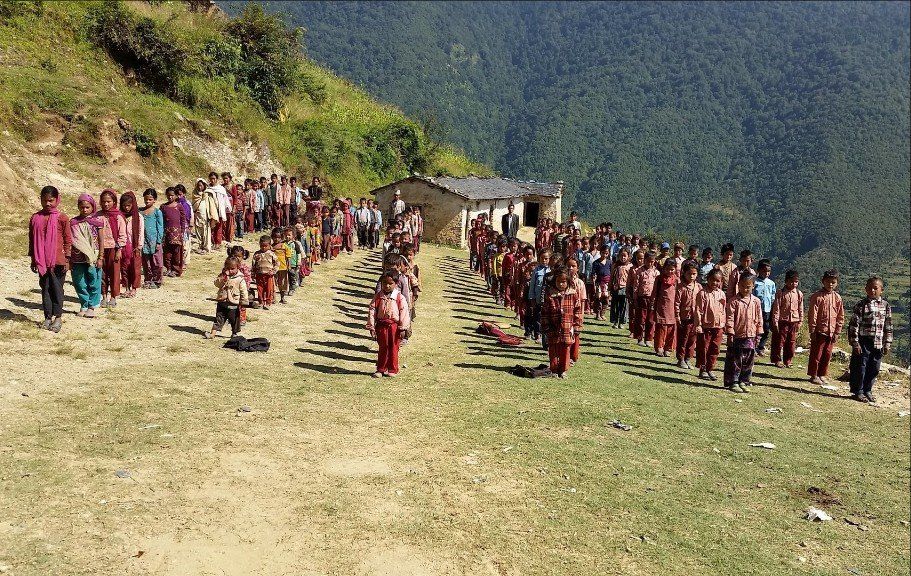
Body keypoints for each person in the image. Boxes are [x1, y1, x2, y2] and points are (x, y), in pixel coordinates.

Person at [29, 185, 71, 332]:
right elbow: (32, 240)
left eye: (51, 200)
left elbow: (68, 239)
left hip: (58, 261)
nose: (47, 204)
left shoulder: (62, 218)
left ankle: (58, 317)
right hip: (41, 261)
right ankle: (48, 317)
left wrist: (67, 259)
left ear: (57, 200)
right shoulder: (35, 218)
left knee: (57, 289)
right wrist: (33, 259)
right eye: (44, 200)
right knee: (45, 289)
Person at [847, 276, 893, 403]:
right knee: (860, 366)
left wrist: (887, 342)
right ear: (865, 289)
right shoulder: (861, 305)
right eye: (870, 288)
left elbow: (888, 325)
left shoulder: (886, 305)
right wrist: (855, 342)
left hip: (878, 342)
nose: (872, 291)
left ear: (881, 290)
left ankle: (868, 390)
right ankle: (858, 391)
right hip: (864, 341)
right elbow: (854, 325)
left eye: (875, 288)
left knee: (874, 367)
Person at [723, 274, 764, 393]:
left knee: (748, 360)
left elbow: (759, 318)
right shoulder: (733, 301)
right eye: (742, 286)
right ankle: (733, 381)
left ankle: (744, 381)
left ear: (753, 287)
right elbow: (729, 318)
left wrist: (759, 332)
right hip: (737, 335)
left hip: (751, 335)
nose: (745, 289)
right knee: (736, 360)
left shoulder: (756, 301)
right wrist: (730, 332)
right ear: (738, 285)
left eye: (748, 287)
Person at [541, 266, 583, 378]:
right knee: (553, 348)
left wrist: (577, 326)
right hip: (553, 327)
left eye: (563, 282)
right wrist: (546, 326)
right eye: (558, 282)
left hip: (568, 327)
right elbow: (544, 312)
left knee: (566, 348)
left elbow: (577, 311)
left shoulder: (573, 294)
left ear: (568, 282)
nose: (560, 284)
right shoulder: (550, 295)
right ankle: (554, 369)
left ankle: (563, 370)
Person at [368, 270, 411, 377]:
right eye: (384, 283)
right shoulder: (378, 296)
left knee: (393, 347)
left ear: (396, 284)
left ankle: (392, 369)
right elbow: (372, 310)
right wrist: (371, 326)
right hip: (381, 326)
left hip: (394, 327)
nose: (387, 286)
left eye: (390, 283)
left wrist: (403, 328)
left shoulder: (399, 297)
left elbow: (404, 312)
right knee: (383, 347)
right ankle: (381, 369)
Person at [69, 194, 105, 318]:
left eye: (87, 207)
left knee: (94, 281)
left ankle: (91, 306)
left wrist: (101, 257)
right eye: (82, 207)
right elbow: (71, 241)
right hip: (78, 258)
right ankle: (84, 304)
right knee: (79, 282)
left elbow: (101, 241)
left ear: (92, 207)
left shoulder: (97, 222)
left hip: (93, 257)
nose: (84, 210)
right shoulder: (73, 222)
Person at [807, 269, 844, 385]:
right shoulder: (817, 297)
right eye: (828, 282)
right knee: (816, 353)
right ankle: (814, 375)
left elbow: (840, 315)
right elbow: (812, 314)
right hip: (819, 331)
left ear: (837, 283)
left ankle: (822, 374)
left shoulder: (837, 298)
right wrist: (812, 330)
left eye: (833, 282)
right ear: (823, 281)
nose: (831, 284)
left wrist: (837, 331)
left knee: (827, 354)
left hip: (831, 331)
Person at [205, 256, 249, 340]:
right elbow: (216, 284)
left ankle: (234, 333)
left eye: (232, 269)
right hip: (222, 302)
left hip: (233, 303)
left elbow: (244, 291)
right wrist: (223, 278)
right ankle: (212, 334)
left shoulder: (240, 279)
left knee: (234, 320)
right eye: (228, 268)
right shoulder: (223, 276)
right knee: (218, 319)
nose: (230, 271)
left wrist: (244, 301)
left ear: (237, 267)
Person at [96, 189, 126, 308]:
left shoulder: (118, 216)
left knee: (114, 273)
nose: (106, 204)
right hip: (100, 249)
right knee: (102, 273)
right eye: (103, 202)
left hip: (114, 248)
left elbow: (122, 235)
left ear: (114, 202)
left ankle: (113, 296)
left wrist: (119, 250)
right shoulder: (97, 216)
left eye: (109, 201)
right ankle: (103, 296)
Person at [695, 268, 726, 381]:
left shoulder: (722, 294)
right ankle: (702, 369)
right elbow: (698, 310)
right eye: (712, 280)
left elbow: (723, 310)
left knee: (715, 349)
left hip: (718, 327)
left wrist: (724, 324)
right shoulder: (702, 293)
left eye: (717, 281)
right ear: (707, 279)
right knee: (704, 348)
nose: (715, 283)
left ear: (721, 282)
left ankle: (710, 369)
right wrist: (698, 325)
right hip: (706, 326)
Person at [675, 262, 702, 369]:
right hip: (684, 318)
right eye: (689, 274)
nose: (691, 276)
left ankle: (688, 358)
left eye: (694, 274)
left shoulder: (698, 287)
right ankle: (680, 359)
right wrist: (677, 316)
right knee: (683, 339)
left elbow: (701, 303)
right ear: (684, 273)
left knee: (692, 340)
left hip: (695, 318)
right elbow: (676, 303)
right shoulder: (681, 287)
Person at [118, 191, 144, 298]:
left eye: (129, 205)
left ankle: (134, 288)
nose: (127, 208)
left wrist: (139, 246)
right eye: (124, 206)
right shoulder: (120, 216)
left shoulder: (138, 217)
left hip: (135, 247)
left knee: (135, 268)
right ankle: (127, 287)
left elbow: (141, 232)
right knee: (124, 268)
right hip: (123, 246)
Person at [651, 258, 678, 357]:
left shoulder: (677, 280)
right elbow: (654, 292)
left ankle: (668, 348)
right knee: (661, 328)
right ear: (664, 269)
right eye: (667, 269)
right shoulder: (659, 279)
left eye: (672, 269)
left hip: (673, 307)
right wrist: (652, 302)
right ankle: (659, 347)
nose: (670, 271)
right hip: (661, 306)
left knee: (671, 328)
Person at [160, 187, 188, 277]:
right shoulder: (163, 207)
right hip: (166, 233)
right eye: (168, 195)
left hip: (177, 234)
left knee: (176, 252)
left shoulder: (179, 206)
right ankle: (168, 268)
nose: (170, 197)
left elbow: (183, 220)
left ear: (176, 196)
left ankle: (175, 270)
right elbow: (161, 220)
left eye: (172, 195)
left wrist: (182, 231)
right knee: (167, 252)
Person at [633, 252, 659, 346]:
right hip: (641, 297)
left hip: (652, 299)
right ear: (645, 260)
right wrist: (635, 297)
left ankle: (648, 339)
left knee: (651, 320)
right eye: (648, 261)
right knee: (641, 319)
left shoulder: (656, 272)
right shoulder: (640, 271)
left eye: (652, 261)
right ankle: (639, 338)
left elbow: (657, 287)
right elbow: (636, 285)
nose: (650, 263)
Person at [140, 188, 164, 289]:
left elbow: (160, 226)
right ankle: (148, 280)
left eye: (150, 199)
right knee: (146, 262)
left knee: (157, 262)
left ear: (155, 200)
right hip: (144, 241)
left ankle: (157, 280)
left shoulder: (157, 212)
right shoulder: (140, 211)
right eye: (146, 199)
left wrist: (159, 240)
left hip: (154, 241)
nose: (147, 201)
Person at [752, 259, 776, 356]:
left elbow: (773, 296)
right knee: (755, 329)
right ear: (759, 270)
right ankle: (752, 347)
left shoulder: (771, 283)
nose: (767, 273)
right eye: (764, 271)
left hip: (767, 310)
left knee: (766, 330)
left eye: (768, 271)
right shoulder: (754, 282)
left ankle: (761, 347)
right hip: (756, 310)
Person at [526, 249, 551, 342]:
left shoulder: (551, 269)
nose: (544, 261)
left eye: (546, 259)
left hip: (548, 299)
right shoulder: (536, 270)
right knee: (538, 317)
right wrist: (531, 297)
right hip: (538, 298)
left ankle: (547, 336)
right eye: (542, 258)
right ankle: (538, 335)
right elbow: (532, 284)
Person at [566, 258, 587, 365]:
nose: (570, 268)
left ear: (577, 268)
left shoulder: (580, 283)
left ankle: (573, 356)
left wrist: (581, 315)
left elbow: (583, 300)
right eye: (568, 266)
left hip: (577, 313)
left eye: (573, 266)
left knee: (576, 334)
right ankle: (566, 356)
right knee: (567, 334)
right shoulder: (563, 281)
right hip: (566, 312)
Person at [192, 178, 217, 253]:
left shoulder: (208, 194)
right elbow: (194, 205)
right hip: (198, 215)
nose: (200, 187)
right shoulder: (195, 194)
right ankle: (200, 246)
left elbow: (212, 205)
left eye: (201, 186)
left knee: (206, 232)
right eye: (198, 186)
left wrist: (212, 216)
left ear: (204, 186)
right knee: (198, 232)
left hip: (206, 216)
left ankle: (206, 248)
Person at [252, 235, 277, 309]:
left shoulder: (272, 254)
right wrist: (253, 274)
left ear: (269, 245)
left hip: (269, 275)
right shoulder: (257, 254)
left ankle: (268, 302)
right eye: (262, 246)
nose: (263, 247)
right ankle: (261, 302)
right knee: (260, 289)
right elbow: (253, 264)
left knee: (269, 289)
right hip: (259, 274)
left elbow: (277, 263)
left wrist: (273, 271)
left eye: (265, 246)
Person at [610, 248, 632, 328]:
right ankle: (615, 321)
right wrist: (610, 287)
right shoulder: (615, 265)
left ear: (628, 257)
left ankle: (621, 322)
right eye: (621, 256)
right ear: (618, 256)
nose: (623, 258)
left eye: (625, 256)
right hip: (616, 288)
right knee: (615, 305)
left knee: (624, 306)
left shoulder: (630, 266)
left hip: (625, 288)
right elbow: (611, 276)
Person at [272, 229, 290, 304]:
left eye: (279, 237)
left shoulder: (284, 246)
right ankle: (273, 297)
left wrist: (289, 266)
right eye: (275, 237)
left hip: (283, 267)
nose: (277, 239)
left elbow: (288, 257)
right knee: (273, 282)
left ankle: (282, 297)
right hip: (274, 268)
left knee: (282, 283)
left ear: (282, 237)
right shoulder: (270, 247)